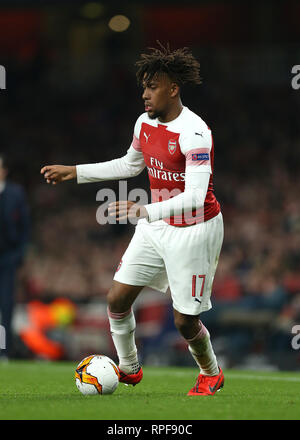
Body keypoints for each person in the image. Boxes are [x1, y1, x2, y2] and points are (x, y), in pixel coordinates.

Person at [40, 43, 224, 396]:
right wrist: (74, 172)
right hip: (156, 225)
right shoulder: (144, 123)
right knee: (117, 299)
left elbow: (196, 197)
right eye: (143, 86)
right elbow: (129, 165)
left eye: (151, 87)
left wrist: (145, 210)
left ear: (173, 88)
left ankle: (211, 372)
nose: (144, 94)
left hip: (196, 230)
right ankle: (129, 368)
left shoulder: (195, 133)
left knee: (185, 320)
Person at [0, 153, 30, 359]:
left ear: (4, 170)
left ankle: (4, 350)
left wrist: (19, 254)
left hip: (7, 258)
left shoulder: (16, 192)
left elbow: (25, 226)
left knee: (6, 304)